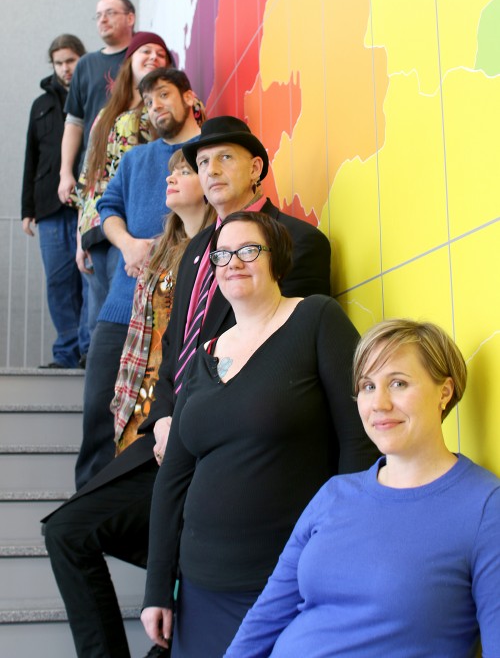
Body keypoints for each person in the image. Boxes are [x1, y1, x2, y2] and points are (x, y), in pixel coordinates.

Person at [44, 114, 333, 658]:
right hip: (174, 434)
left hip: (241, 445)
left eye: (226, 157)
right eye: (203, 161)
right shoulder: (198, 251)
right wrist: (161, 420)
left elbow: (286, 358)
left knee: (188, 545)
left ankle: (177, 613)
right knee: (67, 532)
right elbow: (179, 351)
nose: (212, 168)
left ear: (257, 168)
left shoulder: (300, 243)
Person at [141, 211, 378, 657]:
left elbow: (358, 440)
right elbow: (173, 478)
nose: (234, 261)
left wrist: (342, 548)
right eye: (223, 254)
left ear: (278, 260)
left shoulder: (315, 319)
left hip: (286, 583)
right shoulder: (204, 356)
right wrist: (157, 587)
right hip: (198, 589)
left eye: (249, 250)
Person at [223, 319, 500, 658]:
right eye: (368, 387)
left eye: (398, 383)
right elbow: (265, 618)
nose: (378, 404)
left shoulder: (484, 507)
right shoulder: (334, 495)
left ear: (444, 391)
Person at [44, 151, 214, 658]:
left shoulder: (220, 254)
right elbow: (142, 347)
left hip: (188, 432)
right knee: (72, 529)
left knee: (78, 532)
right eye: (173, 171)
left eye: (184, 171)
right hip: (143, 426)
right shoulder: (162, 249)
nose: (172, 177)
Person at [75, 68, 204, 488]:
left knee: (162, 421)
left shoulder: (207, 154)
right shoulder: (135, 159)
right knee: (99, 410)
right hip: (122, 303)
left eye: (164, 95)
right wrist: (128, 244)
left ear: (189, 97)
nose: (155, 107)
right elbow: (105, 209)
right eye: (148, 102)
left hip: (180, 305)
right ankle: (86, 515)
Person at [76, 31, 173, 333]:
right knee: (98, 324)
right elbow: (90, 176)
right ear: (129, 61)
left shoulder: (171, 110)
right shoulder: (106, 114)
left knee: (130, 322)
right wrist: (81, 237)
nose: (153, 57)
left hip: (137, 230)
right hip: (97, 227)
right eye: (145, 51)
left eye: (160, 53)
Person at [21, 33, 89, 368]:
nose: (65, 69)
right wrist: (26, 211)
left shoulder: (93, 97)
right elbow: (30, 159)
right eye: (59, 63)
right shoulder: (41, 105)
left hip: (88, 204)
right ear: (53, 65)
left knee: (89, 276)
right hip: (48, 207)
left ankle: (89, 351)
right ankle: (66, 352)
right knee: (58, 282)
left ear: (82, 60)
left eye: (71, 61)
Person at [58, 0, 136, 204]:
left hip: (136, 163)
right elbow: (74, 122)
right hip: (94, 169)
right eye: (99, 15)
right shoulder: (85, 64)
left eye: (110, 13)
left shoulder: (144, 55)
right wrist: (65, 173)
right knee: (90, 235)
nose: (102, 19)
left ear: (130, 18)